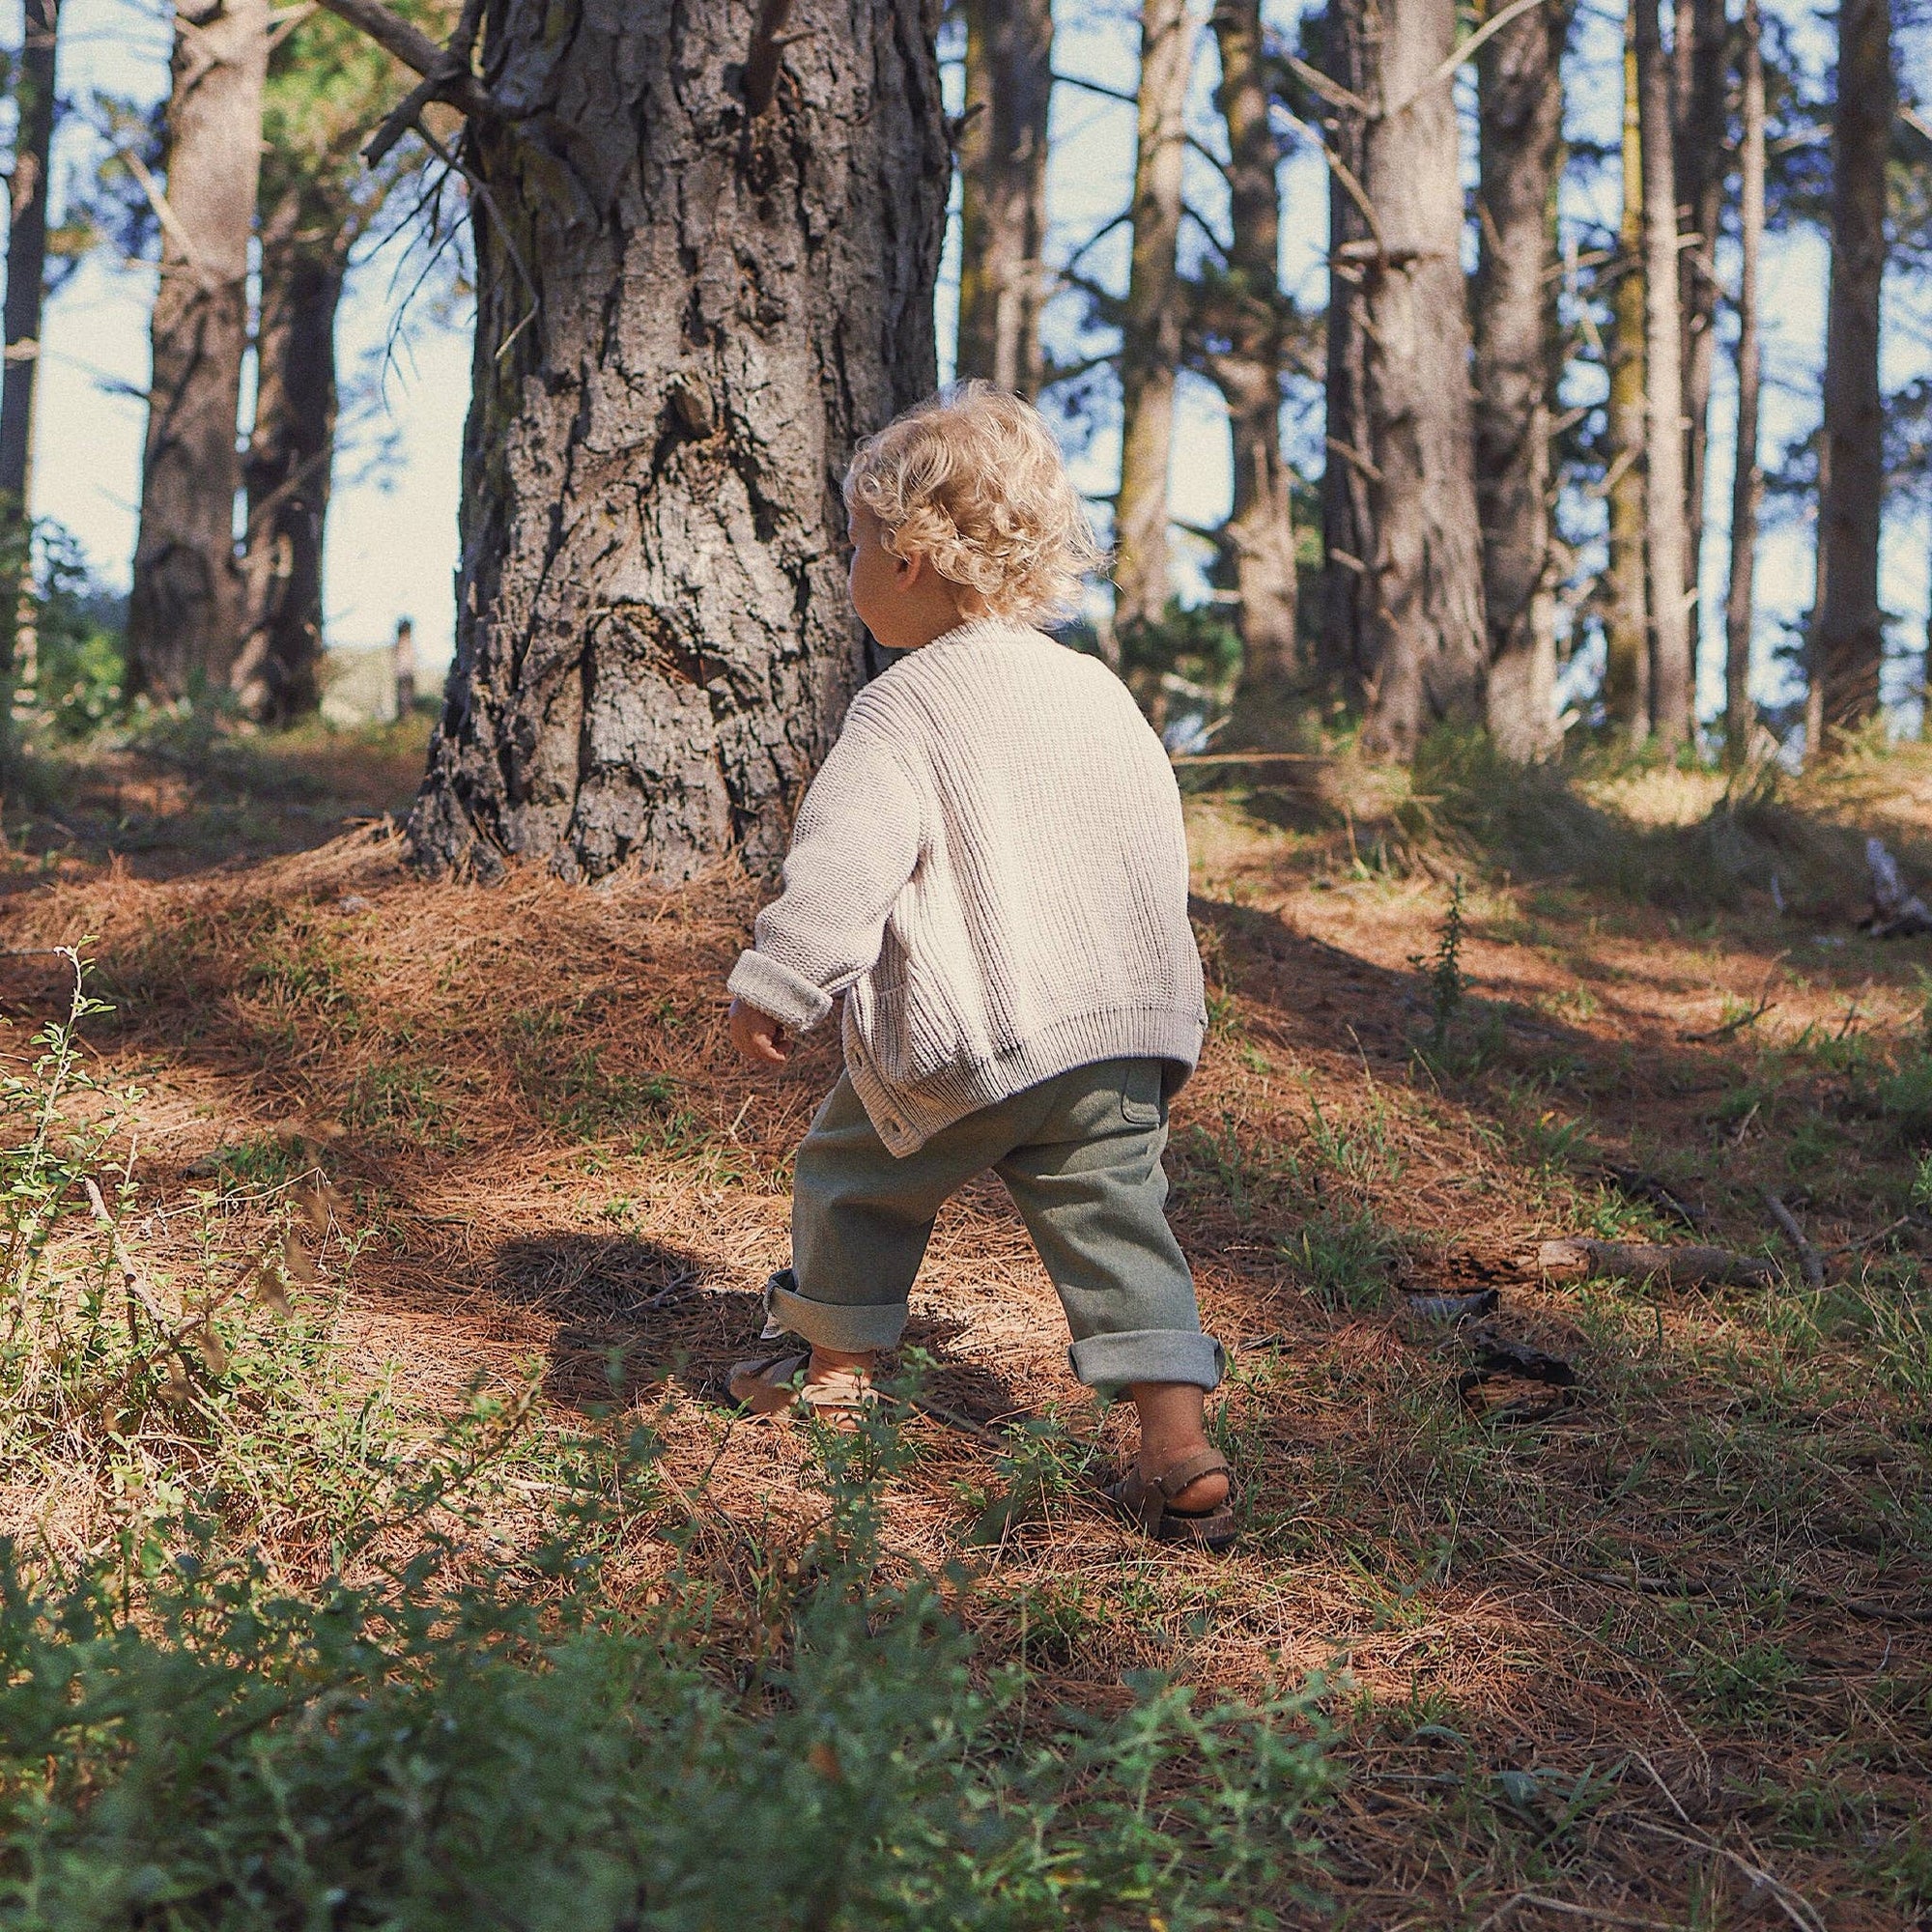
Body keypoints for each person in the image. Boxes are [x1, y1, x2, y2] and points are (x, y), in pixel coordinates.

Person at [723, 384, 1233, 1550]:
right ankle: (1174, 1435)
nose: (846, 568)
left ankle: (839, 1374)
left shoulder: (902, 706)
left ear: (906, 558)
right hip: (1115, 1036)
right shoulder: (1097, 692)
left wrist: (780, 978)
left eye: (855, 545)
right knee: (1120, 1221)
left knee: (855, 1171)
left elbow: (844, 863)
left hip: (983, 1036)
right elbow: (1151, 843)